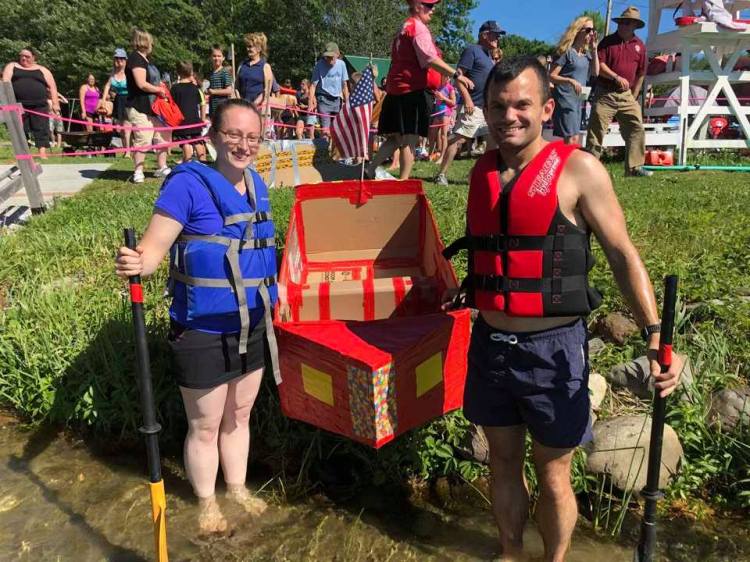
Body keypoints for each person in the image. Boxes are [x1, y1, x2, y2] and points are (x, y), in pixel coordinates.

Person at [443, 56, 684, 562]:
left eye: (522, 105)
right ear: (486, 110)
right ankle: (510, 553)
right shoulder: (482, 170)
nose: (509, 116)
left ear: (547, 108)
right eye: (498, 106)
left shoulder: (579, 169)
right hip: (490, 344)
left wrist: (656, 334)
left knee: (554, 472)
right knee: (503, 462)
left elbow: (622, 254)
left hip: (553, 351)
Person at [115, 98, 278, 534]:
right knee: (204, 426)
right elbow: (153, 250)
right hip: (203, 328)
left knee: (239, 416)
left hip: (252, 325)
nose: (243, 145)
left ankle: (238, 489)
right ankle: (207, 503)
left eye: (252, 137)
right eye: (233, 135)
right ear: (212, 137)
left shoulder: (258, 184)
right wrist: (137, 262)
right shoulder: (186, 186)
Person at [367, 0, 474, 181]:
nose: (433, 10)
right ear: (417, 6)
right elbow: (430, 58)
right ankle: (403, 183)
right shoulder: (419, 28)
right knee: (409, 141)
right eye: (429, 6)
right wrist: (457, 75)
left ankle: (370, 170)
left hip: (395, 89)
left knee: (395, 138)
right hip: (412, 91)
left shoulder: (404, 27)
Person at [434, 20, 503, 186]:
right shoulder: (472, 51)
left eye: (498, 36)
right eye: (494, 35)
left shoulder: (488, 56)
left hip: (487, 108)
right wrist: (467, 99)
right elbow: (458, 78)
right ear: (484, 35)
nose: (497, 39)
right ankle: (441, 174)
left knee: (493, 142)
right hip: (473, 105)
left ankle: (481, 176)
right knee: (458, 139)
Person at [586, 6, 652, 177]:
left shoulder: (640, 46)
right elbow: (599, 66)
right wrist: (615, 77)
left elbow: (641, 73)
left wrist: (635, 95)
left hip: (627, 95)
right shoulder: (607, 42)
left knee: (636, 128)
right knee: (596, 130)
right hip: (605, 93)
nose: (623, 25)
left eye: (628, 22)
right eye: (622, 21)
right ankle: (590, 168)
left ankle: (634, 168)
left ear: (635, 26)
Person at [124, 28, 171, 183]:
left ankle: (161, 166)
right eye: (151, 42)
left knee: (162, 134)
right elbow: (141, 84)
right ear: (145, 42)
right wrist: (158, 90)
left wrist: (161, 86)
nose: (152, 45)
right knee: (143, 138)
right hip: (139, 106)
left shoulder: (145, 60)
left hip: (154, 107)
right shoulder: (135, 59)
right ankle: (138, 171)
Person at [2, 47, 60, 159]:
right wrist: (7, 103)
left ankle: (42, 153)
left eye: (27, 56)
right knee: (20, 129)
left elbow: (53, 87)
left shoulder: (42, 70)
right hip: (18, 105)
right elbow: (6, 82)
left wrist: (56, 104)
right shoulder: (12, 66)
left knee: (41, 128)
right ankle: (24, 153)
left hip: (39, 105)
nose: (23, 58)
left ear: (34, 57)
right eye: (21, 56)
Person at [549, 16, 600, 145]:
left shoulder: (587, 56)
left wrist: (594, 50)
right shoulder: (567, 53)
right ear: (578, 31)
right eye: (588, 30)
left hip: (578, 100)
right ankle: (570, 163)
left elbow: (595, 72)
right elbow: (551, 76)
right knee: (571, 138)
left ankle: (568, 162)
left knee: (575, 137)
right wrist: (570, 81)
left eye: (593, 30)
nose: (591, 33)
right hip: (565, 98)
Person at [308, 42, 349, 140]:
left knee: (337, 130)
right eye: (327, 57)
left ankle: (334, 153)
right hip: (323, 99)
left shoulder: (342, 65)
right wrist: (310, 102)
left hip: (337, 100)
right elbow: (313, 85)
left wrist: (347, 103)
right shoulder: (319, 65)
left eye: (331, 57)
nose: (329, 60)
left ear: (337, 55)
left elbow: (344, 85)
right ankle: (324, 152)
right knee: (325, 130)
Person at [171, 61, 206, 163]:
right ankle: (203, 162)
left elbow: (171, 106)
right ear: (191, 72)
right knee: (198, 141)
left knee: (186, 143)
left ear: (178, 72)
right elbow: (202, 103)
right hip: (195, 120)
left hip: (182, 122)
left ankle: (187, 165)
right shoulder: (196, 88)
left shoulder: (174, 89)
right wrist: (203, 119)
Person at [100, 48, 131, 157]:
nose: (119, 61)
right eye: (117, 59)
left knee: (127, 126)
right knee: (120, 127)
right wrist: (103, 100)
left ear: (125, 60)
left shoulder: (129, 72)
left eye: (121, 59)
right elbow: (107, 86)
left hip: (129, 99)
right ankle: (125, 148)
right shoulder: (113, 73)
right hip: (119, 99)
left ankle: (128, 151)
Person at [236, 32, 273, 115]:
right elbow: (236, 87)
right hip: (243, 107)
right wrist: (241, 102)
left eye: (250, 46)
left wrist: (254, 104)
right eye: (247, 46)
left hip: (260, 109)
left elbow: (266, 91)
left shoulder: (265, 66)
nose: (248, 49)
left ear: (259, 49)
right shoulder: (242, 65)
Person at [428, 74, 456, 162]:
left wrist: (443, 98)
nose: (447, 78)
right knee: (432, 134)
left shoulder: (450, 88)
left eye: (448, 76)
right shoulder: (438, 87)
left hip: (445, 112)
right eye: (445, 76)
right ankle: (430, 155)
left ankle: (442, 157)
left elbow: (453, 102)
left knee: (444, 135)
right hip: (437, 112)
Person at [207, 45, 234, 117]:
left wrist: (214, 92)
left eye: (219, 56)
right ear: (210, 57)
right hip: (213, 108)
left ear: (223, 58)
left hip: (222, 108)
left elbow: (229, 91)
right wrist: (207, 91)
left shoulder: (224, 72)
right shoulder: (211, 73)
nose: (216, 58)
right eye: (214, 56)